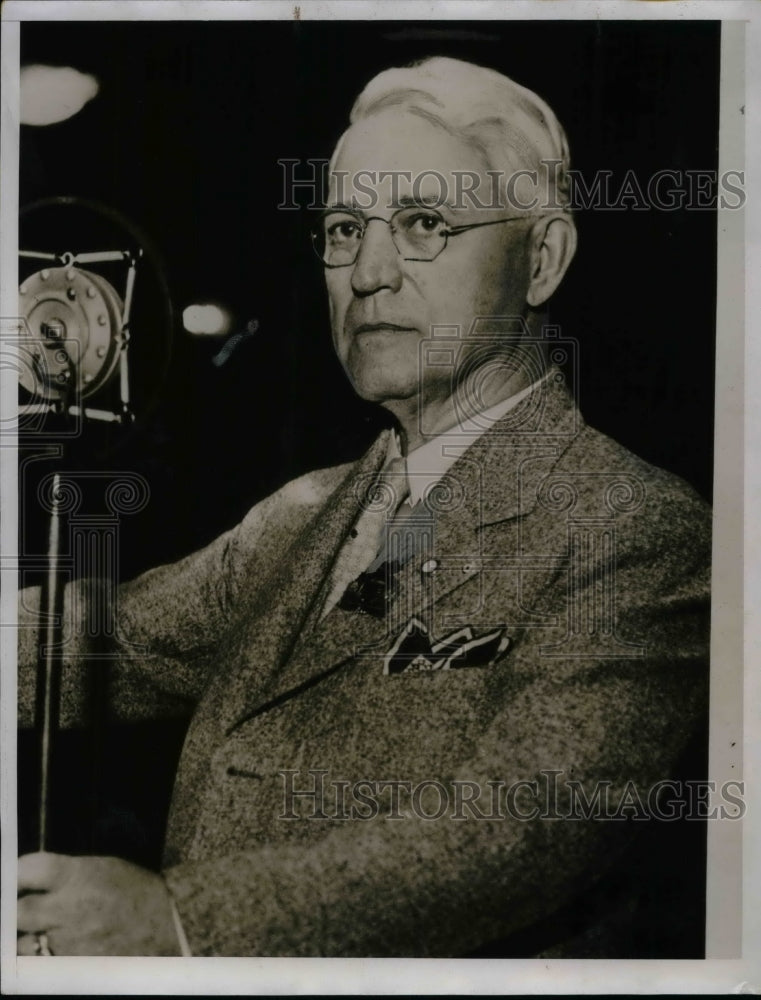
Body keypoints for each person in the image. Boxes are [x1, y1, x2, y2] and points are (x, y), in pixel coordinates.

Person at [17, 56, 711, 958]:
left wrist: (178, 923)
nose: (369, 272)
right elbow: (95, 642)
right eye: (344, 229)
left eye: (424, 223)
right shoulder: (308, 513)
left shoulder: (632, 530)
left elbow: (515, 829)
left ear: (541, 259)